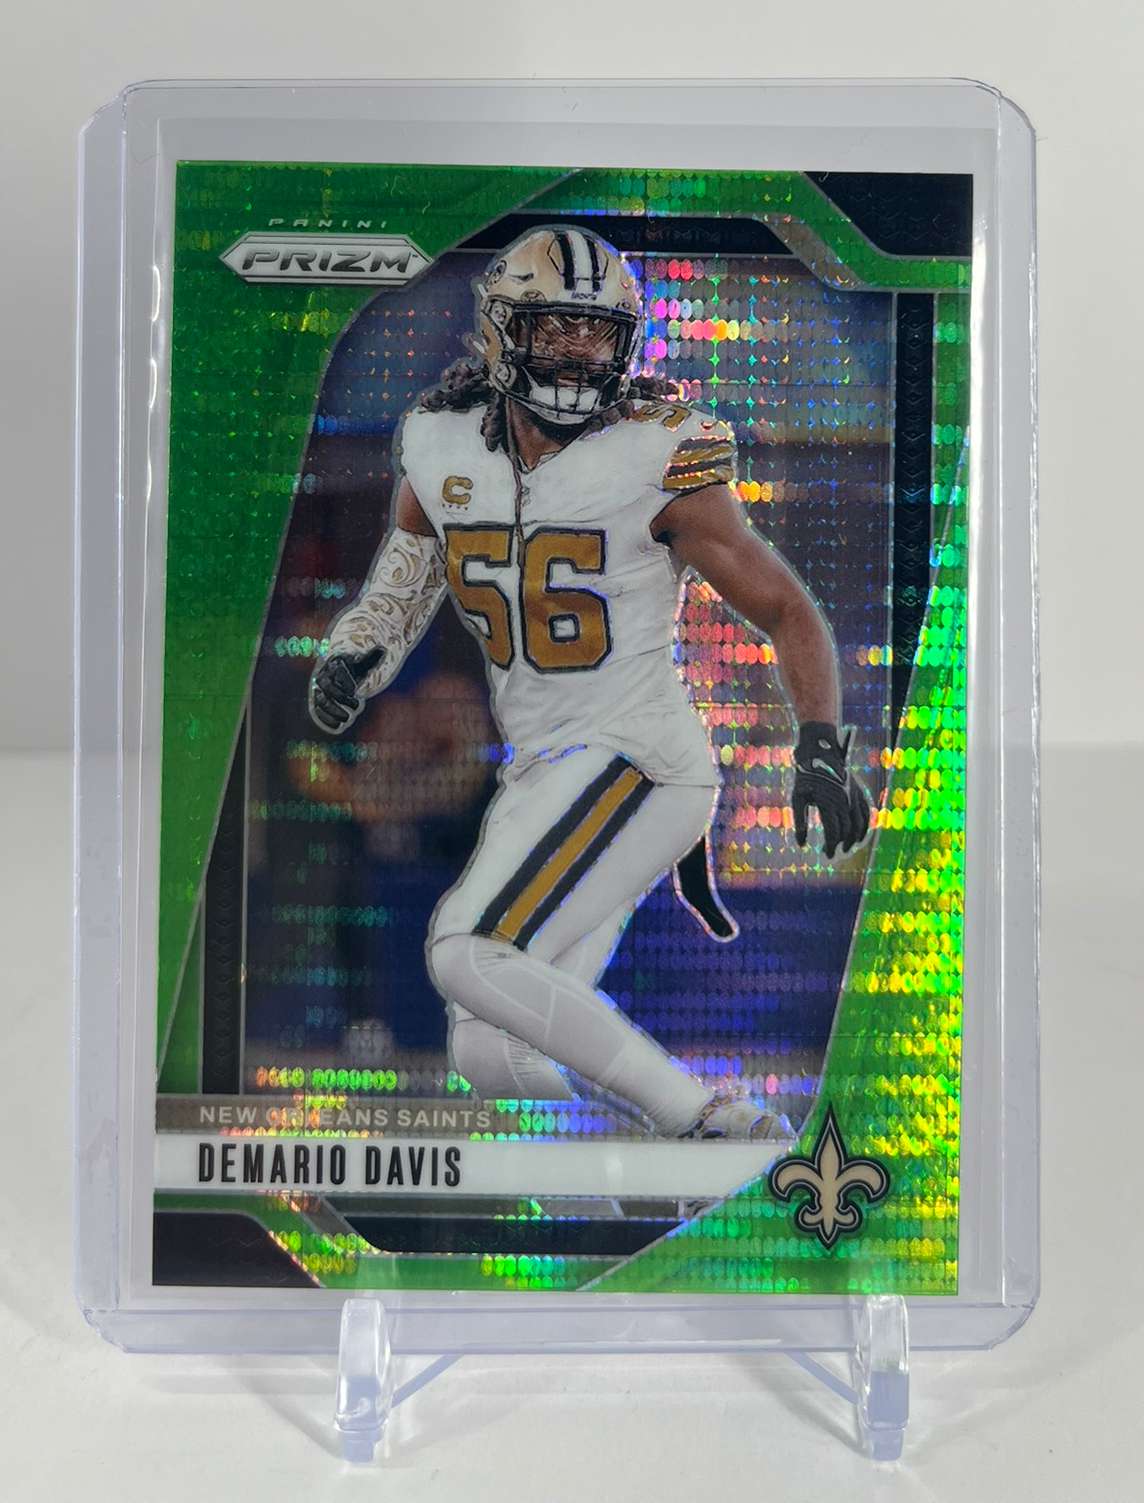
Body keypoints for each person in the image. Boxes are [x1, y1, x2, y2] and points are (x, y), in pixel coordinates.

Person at [309, 225, 870, 1140]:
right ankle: (599, 1193)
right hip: (546, 768)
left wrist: (819, 745)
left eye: (597, 332)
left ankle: (702, 1116)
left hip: (638, 757)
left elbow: (786, 609)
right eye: (557, 326)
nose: (577, 352)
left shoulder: (659, 453)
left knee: (463, 949)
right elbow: (405, 580)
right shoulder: (440, 442)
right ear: (501, 330)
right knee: (487, 1048)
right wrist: (358, 649)